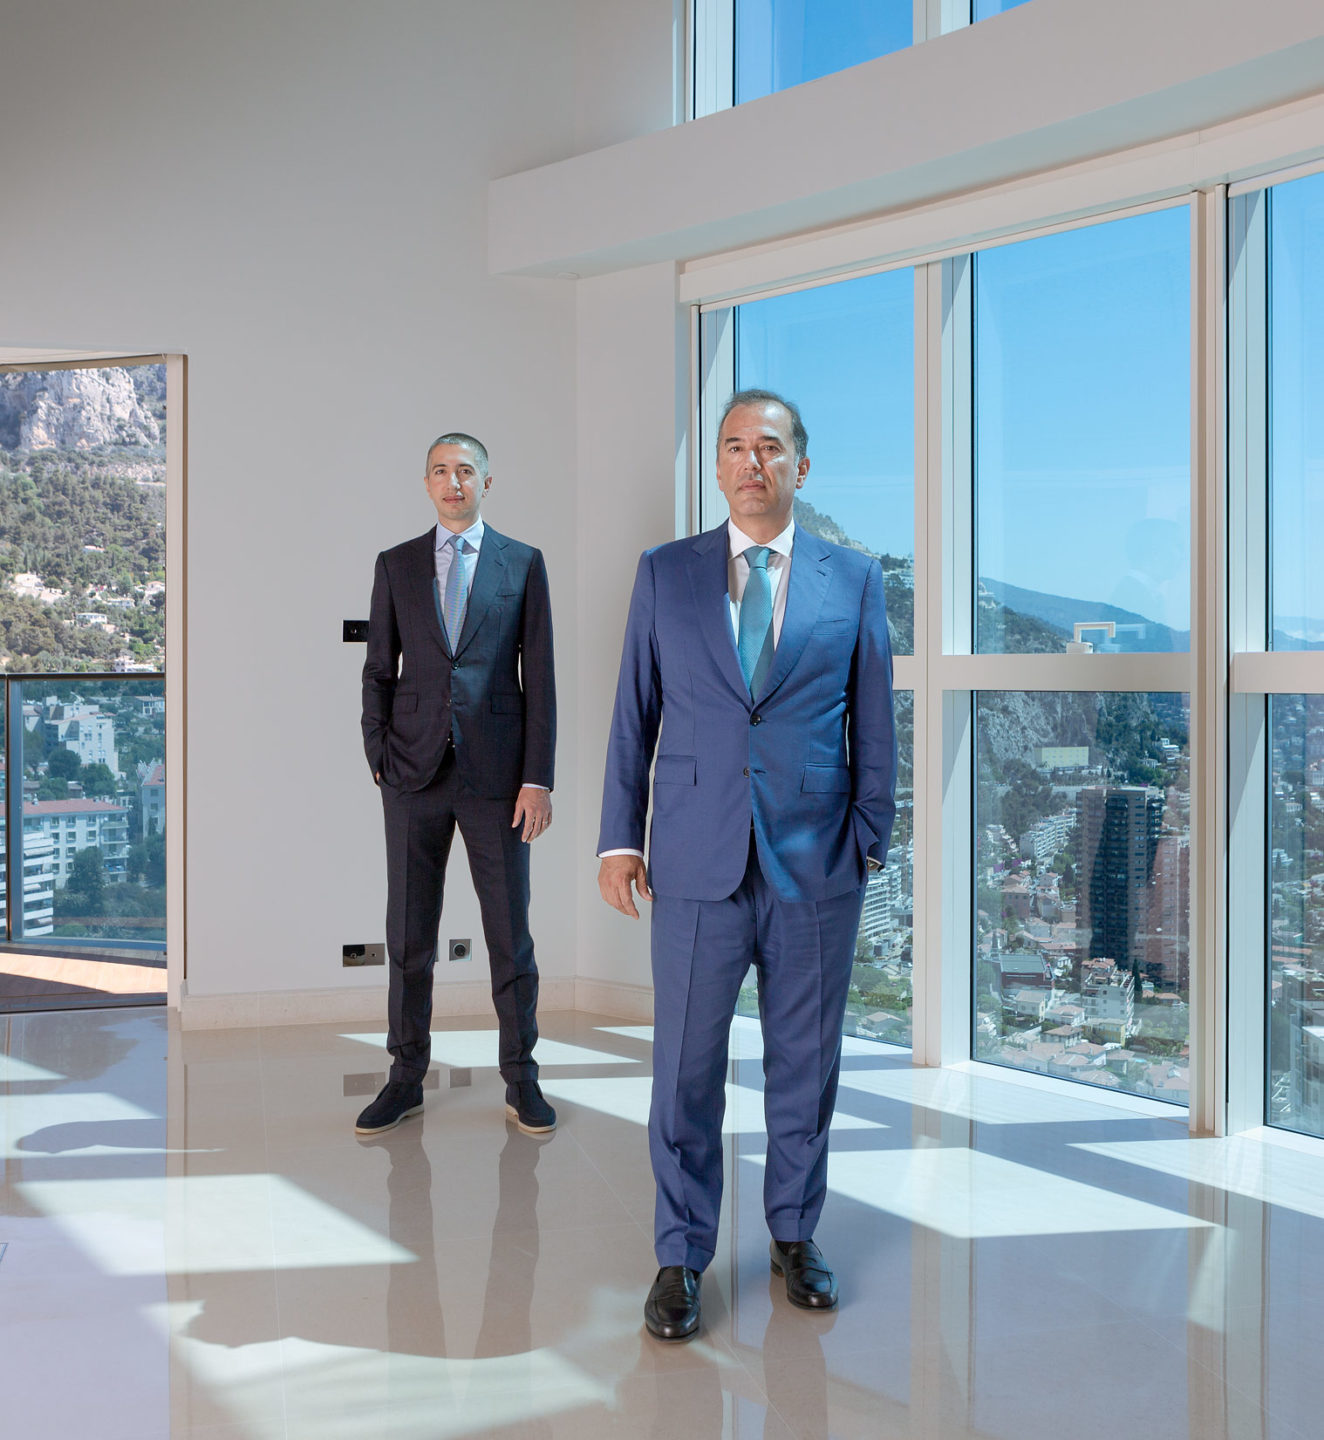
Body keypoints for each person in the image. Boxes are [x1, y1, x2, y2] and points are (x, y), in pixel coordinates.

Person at [598, 389, 896, 1340]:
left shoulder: (853, 578)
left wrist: (870, 832)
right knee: (685, 1067)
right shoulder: (665, 573)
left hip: (816, 860)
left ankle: (794, 1235)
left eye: (770, 448)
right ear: (718, 467)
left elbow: (876, 717)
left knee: (805, 1066)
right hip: (693, 857)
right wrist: (619, 837)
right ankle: (682, 1256)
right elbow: (633, 715)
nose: (751, 462)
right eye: (734, 447)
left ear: (800, 467)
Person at [358, 432, 557, 1137]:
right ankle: (405, 1078)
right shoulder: (396, 565)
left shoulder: (523, 564)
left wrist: (538, 779)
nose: (453, 482)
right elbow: (379, 669)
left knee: (511, 936)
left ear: (486, 483)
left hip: (498, 780)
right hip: (410, 775)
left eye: (465, 471)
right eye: (441, 471)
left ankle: (521, 1080)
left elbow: (542, 682)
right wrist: (377, 751)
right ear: (426, 482)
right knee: (409, 936)